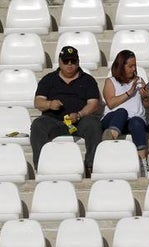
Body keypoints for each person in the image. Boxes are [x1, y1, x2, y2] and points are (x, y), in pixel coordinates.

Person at [30, 45, 103, 177]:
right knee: (37, 125)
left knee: (94, 124)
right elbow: (38, 102)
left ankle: (91, 166)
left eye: (73, 61)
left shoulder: (87, 80)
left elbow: (93, 104)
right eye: (66, 61)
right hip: (54, 121)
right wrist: (50, 104)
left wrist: (79, 114)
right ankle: (40, 166)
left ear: (78, 62)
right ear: (59, 62)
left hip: (79, 122)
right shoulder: (49, 79)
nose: (69, 64)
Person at [101, 49, 149, 177]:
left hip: (133, 121)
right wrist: (130, 92)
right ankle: (110, 138)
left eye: (135, 65)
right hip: (113, 119)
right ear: (121, 66)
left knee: (137, 121)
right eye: (130, 66)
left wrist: (146, 97)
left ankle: (143, 162)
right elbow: (111, 103)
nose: (133, 69)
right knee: (122, 112)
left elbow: (148, 106)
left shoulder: (139, 80)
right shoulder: (110, 81)